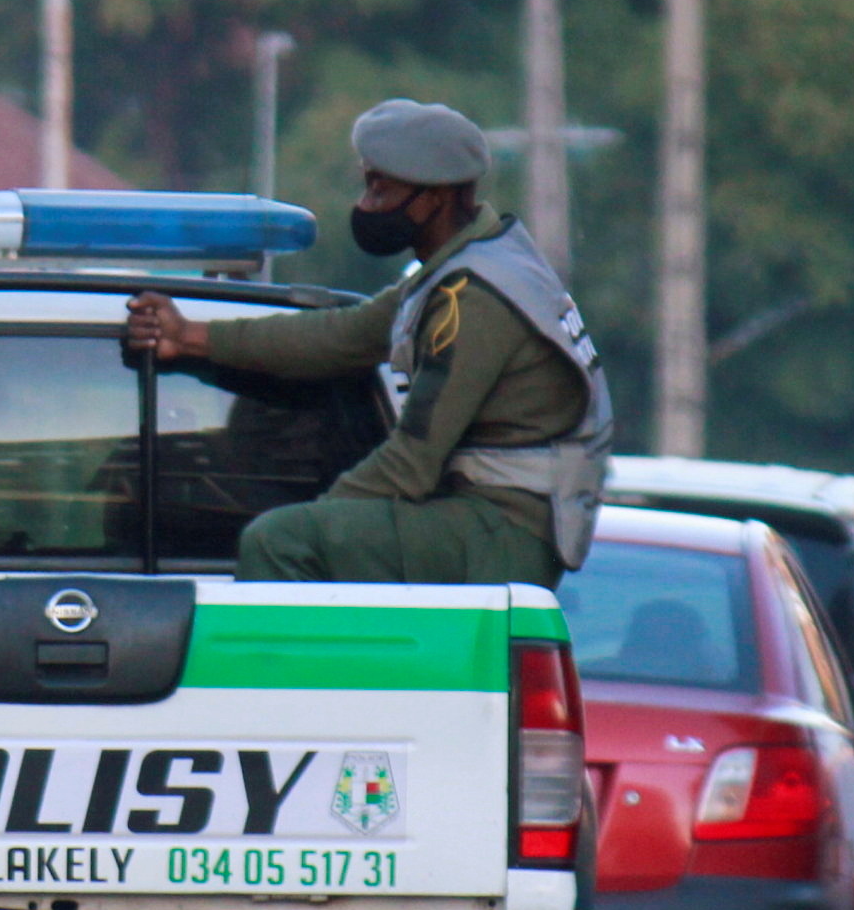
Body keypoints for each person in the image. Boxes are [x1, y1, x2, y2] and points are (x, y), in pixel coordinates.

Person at [123, 98, 615, 585]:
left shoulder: (474, 298)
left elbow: (412, 462)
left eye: (381, 187)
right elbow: (338, 336)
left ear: (435, 196)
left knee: (281, 542)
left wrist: (322, 521)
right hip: (488, 520)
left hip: (503, 531)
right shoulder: (467, 268)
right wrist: (190, 336)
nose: (366, 204)